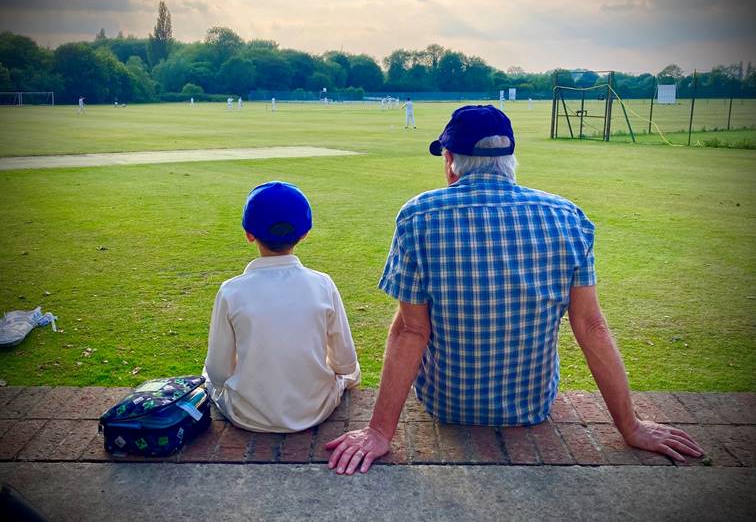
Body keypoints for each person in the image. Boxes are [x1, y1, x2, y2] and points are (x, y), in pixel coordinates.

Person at [325, 105, 702, 475]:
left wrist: (378, 432)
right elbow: (591, 328)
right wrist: (631, 427)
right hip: (532, 406)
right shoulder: (567, 216)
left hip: (447, 403)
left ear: (450, 159)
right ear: (510, 158)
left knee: (411, 315)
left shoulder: (419, 215)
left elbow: (412, 331)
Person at [204, 181, 361, 433]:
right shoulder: (322, 284)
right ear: (304, 233)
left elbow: (218, 374)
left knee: (209, 370)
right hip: (316, 410)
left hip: (246, 415)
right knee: (351, 374)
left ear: (249, 234)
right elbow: (345, 365)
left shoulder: (232, 290)